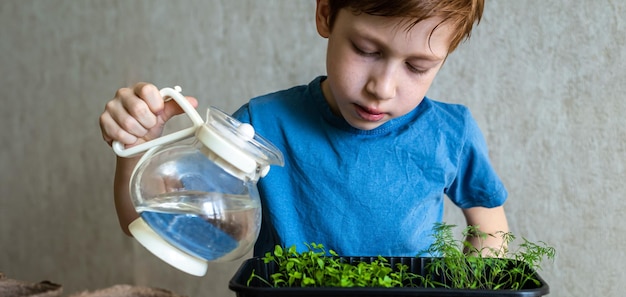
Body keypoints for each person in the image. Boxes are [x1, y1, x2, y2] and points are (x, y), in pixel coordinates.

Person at [99, 0, 509, 258]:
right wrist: (137, 148)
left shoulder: (451, 134)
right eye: (367, 50)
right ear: (326, 13)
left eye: (417, 67)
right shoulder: (259, 126)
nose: (382, 88)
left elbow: (490, 228)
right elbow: (144, 224)